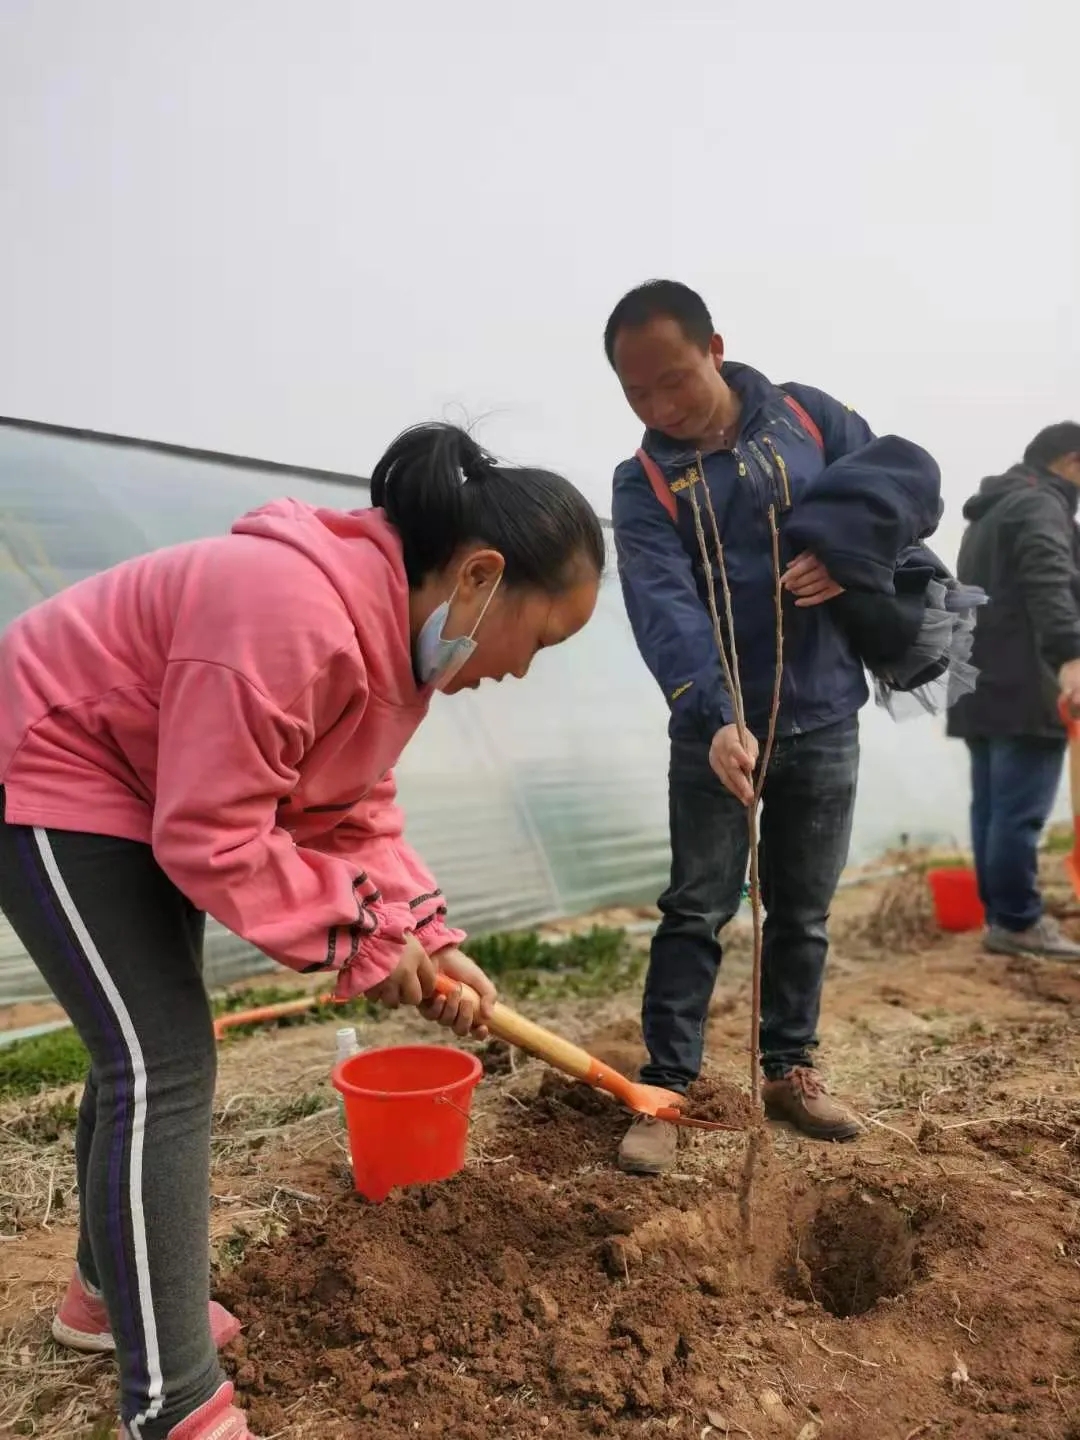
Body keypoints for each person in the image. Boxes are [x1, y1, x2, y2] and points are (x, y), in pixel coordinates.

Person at [0, 422, 605, 1440]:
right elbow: (213, 834)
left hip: (140, 786)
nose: (522, 671)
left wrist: (428, 934)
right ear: (480, 576)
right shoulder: (290, 607)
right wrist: (363, 941)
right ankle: (174, 1405)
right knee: (160, 1063)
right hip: (52, 762)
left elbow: (350, 808)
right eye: (540, 639)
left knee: (142, 1053)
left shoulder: (392, 656)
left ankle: (103, 1301)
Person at [605, 279, 943, 1176]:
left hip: (825, 712)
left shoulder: (807, 417)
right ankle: (665, 1087)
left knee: (803, 909)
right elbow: (665, 605)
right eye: (637, 394)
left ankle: (790, 1068)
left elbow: (895, 491)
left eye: (675, 380)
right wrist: (714, 715)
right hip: (715, 730)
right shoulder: (643, 483)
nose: (661, 408)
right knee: (695, 908)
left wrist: (851, 556)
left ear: (715, 350)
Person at [947, 422, 1080, 959]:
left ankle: (1003, 916)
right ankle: (1019, 921)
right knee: (1019, 813)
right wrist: (1071, 655)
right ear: (1070, 462)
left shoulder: (991, 512)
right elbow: (1049, 580)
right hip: (1027, 681)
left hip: (979, 680)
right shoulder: (1041, 506)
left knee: (993, 808)